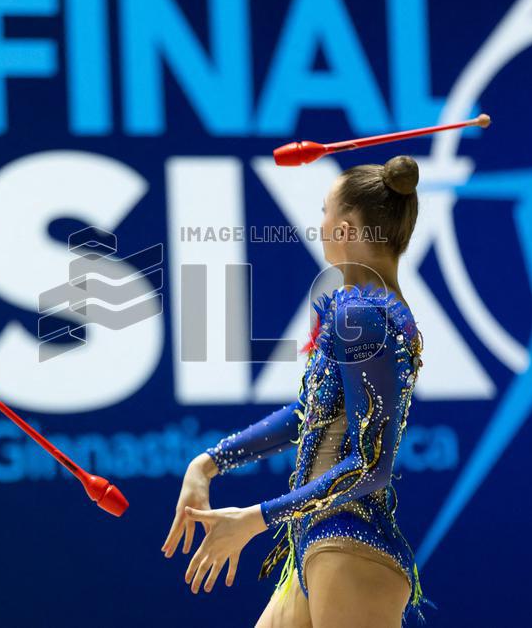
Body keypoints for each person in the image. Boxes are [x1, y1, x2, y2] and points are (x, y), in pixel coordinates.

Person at [161, 156, 428, 627]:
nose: (319, 225)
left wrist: (255, 518)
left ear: (345, 230)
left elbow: (371, 464)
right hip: (320, 543)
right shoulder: (360, 308)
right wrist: (209, 463)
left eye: (324, 211)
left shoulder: (363, 316)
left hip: (350, 546)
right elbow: (310, 414)